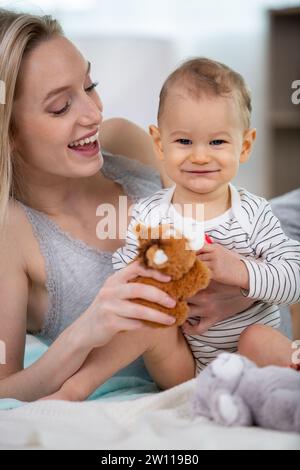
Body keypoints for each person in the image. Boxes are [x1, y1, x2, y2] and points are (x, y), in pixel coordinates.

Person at [0, 9, 196, 403]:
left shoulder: (124, 142)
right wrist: (83, 333)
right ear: (10, 131)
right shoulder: (12, 234)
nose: (94, 113)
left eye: (90, 86)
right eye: (60, 107)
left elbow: (213, 219)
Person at [112, 58, 300, 372]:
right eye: (184, 141)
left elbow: (294, 275)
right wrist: (148, 276)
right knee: (146, 326)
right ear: (159, 143)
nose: (200, 156)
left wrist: (241, 271)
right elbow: (123, 271)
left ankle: (281, 384)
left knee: (256, 338)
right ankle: (79, 385)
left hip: (255, 356)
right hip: (188, 364)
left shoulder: (253, 212)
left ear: (244, 146)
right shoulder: (149, 214)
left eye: (217, 142)